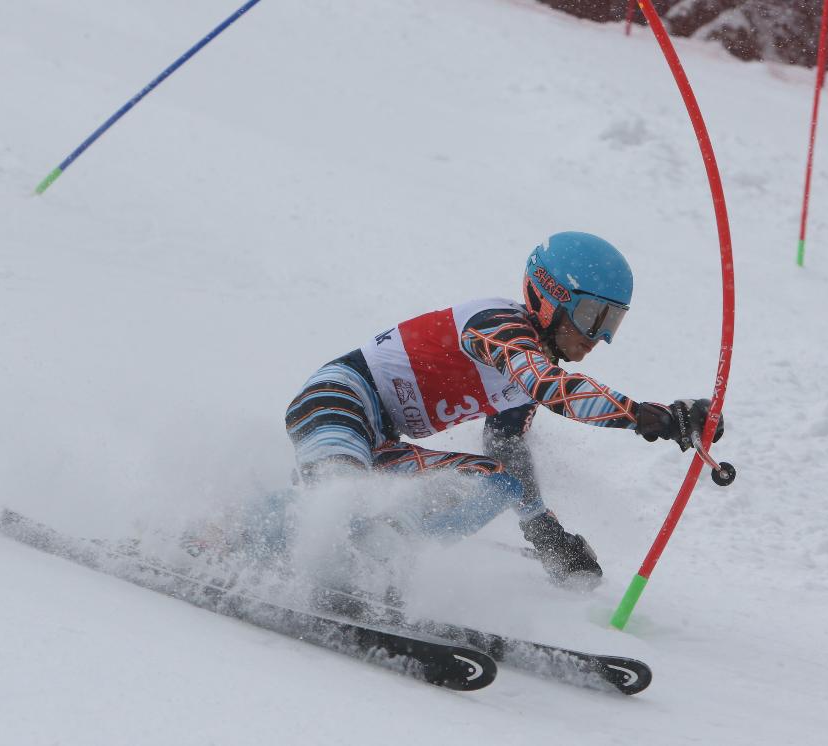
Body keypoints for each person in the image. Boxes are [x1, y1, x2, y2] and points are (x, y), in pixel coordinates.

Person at [283, 231, 724, 587]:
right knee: (338, 494)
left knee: (496, 483)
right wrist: (646, 416)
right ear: (551, 298)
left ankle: (379, 558)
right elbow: (549, 386)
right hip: (338, 401)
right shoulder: (496, 325)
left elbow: (506, 445)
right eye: (592, 316)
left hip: (383, 442)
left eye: (612, 321)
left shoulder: (526, 379)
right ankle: (282, 548)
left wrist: (547, 536)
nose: (599, 337)